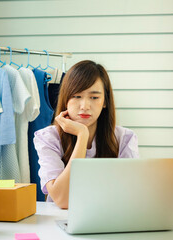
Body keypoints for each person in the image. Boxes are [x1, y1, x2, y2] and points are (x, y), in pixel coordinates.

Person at [33, 60, 139, 209]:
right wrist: (82, 135)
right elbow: (62, 200)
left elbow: (131, 196)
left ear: (105, 102)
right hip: (59, 222)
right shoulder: (48, 137)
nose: (85, 106)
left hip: (110, 219)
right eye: (77, 96)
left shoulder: (124, 138)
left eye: (94, 97)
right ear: (66, 99)